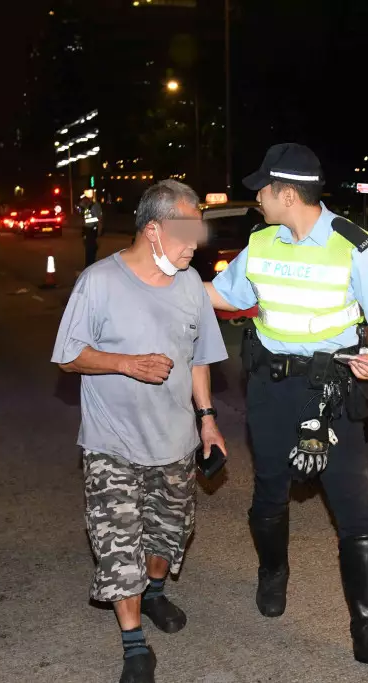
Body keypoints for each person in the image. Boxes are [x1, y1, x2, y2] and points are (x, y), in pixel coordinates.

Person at [204, 143, 368, 673]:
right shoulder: (261, 242)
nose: (258, 199)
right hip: (271, 388)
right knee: (271, 487)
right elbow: (224, 295)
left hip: (330, 389)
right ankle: (273, 572)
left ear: (287, 194)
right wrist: (161, 280)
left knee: (353, 505)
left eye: (263, 190)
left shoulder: (353, 245)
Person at [52, 180, 228, 683]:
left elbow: (198, 357)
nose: (195, 244)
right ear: (153, 230)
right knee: (118, 543)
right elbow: (68, 356)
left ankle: (154, 594)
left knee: (167, 535)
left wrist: (208, 419)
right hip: (112, 443)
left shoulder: (191, 285)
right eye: (186, 232)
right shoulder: (98, 282)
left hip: (175, 441)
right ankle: (134, 645)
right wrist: (125, 363)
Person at [79, 190, 102, 267]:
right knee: (88, 248)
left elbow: (99, 219)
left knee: (91, 249)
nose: (83, 202)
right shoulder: (87, 207)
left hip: (92, 229)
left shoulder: (94, 206)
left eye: (84, 199)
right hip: (87, 229)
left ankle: (90, 264)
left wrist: (99, 230)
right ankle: (89, 264)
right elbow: (84, 217)